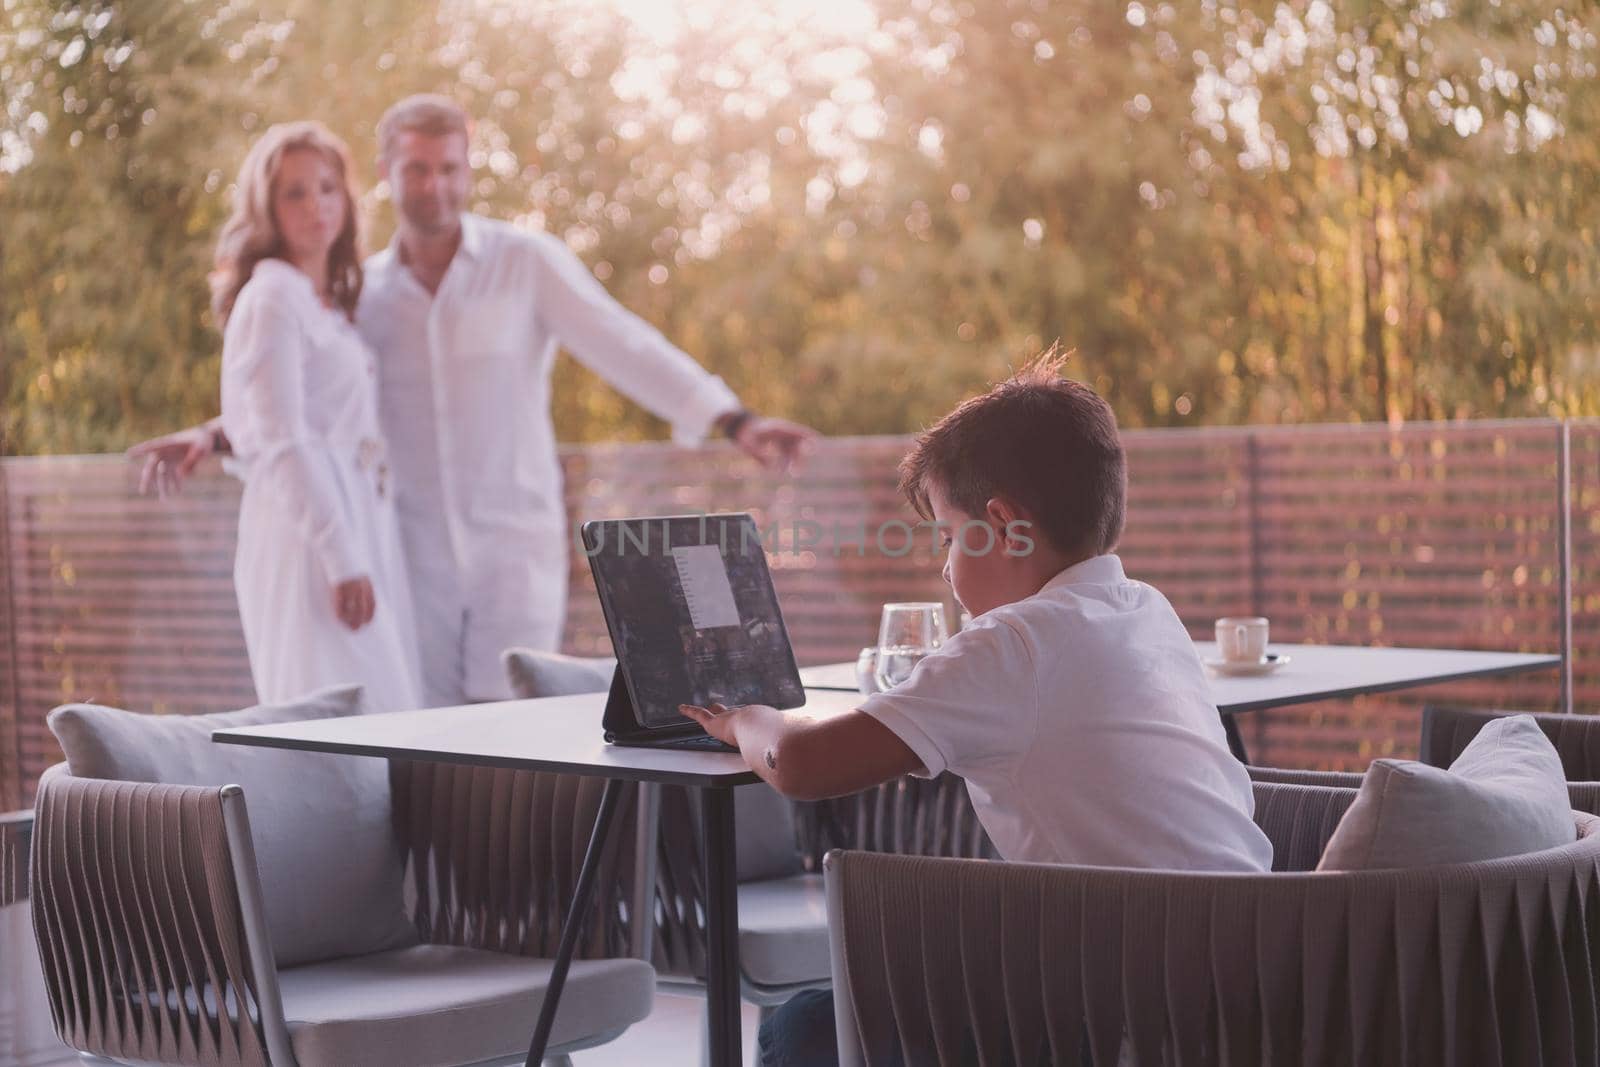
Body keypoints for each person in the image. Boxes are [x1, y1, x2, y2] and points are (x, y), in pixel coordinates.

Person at [679, 351, 1273, 1066]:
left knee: (807, 1023)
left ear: (1004, 525)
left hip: (1130, 1009)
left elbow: (800, 762)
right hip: (1245, 981)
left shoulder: (1011, 643)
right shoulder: (1145, 608)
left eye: (950, 537)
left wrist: (743, 717)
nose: (944, 565)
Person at [132, 94, 815, 706]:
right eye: (419, 170)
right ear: (385, 173)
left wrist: (735, 419)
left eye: (451, 168)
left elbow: (622, 342)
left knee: (511, 731)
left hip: (512, 549)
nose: (436, 186)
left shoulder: (524, 263)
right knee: (424, 743)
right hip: (407, 553)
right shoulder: (358, 293)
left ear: (468, 169)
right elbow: (304, 398)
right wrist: (212, 436)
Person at [213, 121, 421, 714]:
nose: (316, 206)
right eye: (295, 192)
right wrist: (342, 557)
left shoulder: (320, 301)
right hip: (313, 536)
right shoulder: (273, 294)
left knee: (385, 714)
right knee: (339, 720)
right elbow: (279, 437)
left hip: (358, 517)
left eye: (328, 188)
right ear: (267, 208)